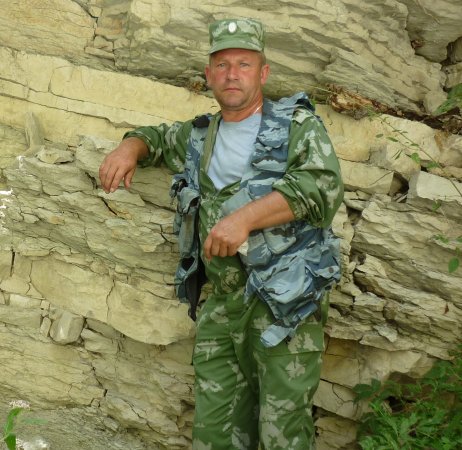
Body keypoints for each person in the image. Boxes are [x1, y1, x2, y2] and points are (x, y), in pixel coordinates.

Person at [99, 18, 344, 450]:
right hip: (224, 304)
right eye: (222, 65)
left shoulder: (296, 126)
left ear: (263, 73)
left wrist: (244, 218)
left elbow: (322, 188)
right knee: (215, 432)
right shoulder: (198, 136)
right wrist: (128, 148)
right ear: (209, 75)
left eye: (244, 64)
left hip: (283, 305)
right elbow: (156, 139)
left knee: (282, 434)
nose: (233, 74)